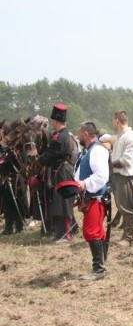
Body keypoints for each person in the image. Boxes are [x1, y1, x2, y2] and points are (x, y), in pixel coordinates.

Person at [74, 122, 110, 280]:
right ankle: (101, 265)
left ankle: (99, 269)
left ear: (85, 134)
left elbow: (101, 176)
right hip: (90, 198)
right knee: (97, 232)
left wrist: (85, 183)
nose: (78, 136)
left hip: (95, 198)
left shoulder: (97, 151)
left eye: (79, 133)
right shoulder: (89, 150)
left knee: (92, 231)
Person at [37, 104, 77, 243]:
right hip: (60, 171)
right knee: (58, 203)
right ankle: (61, 233)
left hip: (62, 172)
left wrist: (39, 160)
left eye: (53, 121)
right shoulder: (61, 135)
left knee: (63, 204)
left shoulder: (60, 137)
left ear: (55, 121)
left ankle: (66, 235)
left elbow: (52, 154)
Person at [111, 110, 133, 247]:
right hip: (119, 175)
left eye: (113, 120)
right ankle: (126, 235)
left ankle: (128, 237)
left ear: (117, 121)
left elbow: (126, 160)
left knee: (127, 207)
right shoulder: (120, 137)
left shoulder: (130, 137)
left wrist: (109, 163)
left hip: (126, 176)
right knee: (121, 206)